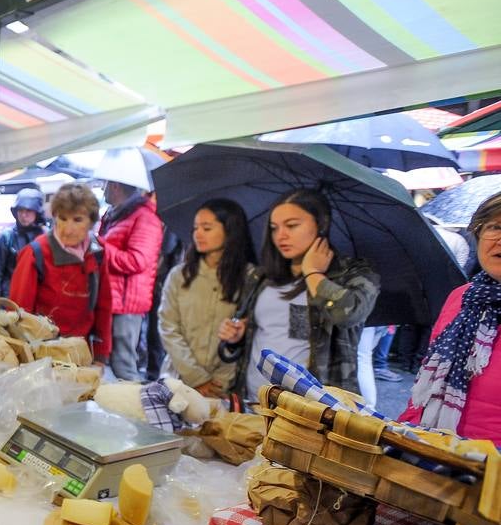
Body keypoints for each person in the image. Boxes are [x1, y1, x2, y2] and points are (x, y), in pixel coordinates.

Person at [218, 188, 380, 399]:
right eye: (274, 228)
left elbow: (347, 315)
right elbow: (281, 333)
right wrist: (236, 338)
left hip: (310, 409)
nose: (281, 236)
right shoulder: (262, 276)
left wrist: (313, 273)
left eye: (292, 226)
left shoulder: (353, 272)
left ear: (321, 224)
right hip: (254, 399)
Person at [400, 193, 501, 439]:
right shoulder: (462, 297)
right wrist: (404, 434)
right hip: (433, 454)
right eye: (495, 227)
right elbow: (426, 383)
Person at [157, 198, 256, 399]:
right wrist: (197, 377)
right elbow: (168, 327)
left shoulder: (250, 278)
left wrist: (220, 381)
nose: (198, 234)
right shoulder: (180, 275)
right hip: (177, 380)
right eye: (196, 228)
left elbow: (249, 332)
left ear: (230, 230)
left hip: (223, 387)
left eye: (207, 228)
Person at [8, 183, 113, 364]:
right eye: (62, 218)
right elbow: (18, 313)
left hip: (81, 351)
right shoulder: (35, 253)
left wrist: (101, 355)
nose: (68, 229)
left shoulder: (98, 252)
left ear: (91, 222)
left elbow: (104, 306)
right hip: (42, 354)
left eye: (77, 220)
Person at [98, 179, 164, 381]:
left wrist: (100, 245)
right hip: (109, 301)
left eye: (105, 184)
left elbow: (138, 260)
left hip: (126, 307)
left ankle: (133, 410)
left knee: (123, 366)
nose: (103, 189)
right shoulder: (113, 215)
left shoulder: (145, 218)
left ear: (116, 186)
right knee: (106, 364)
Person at [0, 188, 46, 297]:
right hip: (10, 296)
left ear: (37, 212)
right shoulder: (7, 237)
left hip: (38, 296)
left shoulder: (45, 237)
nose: (23, 215)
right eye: (20, 210)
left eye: (28, 211)